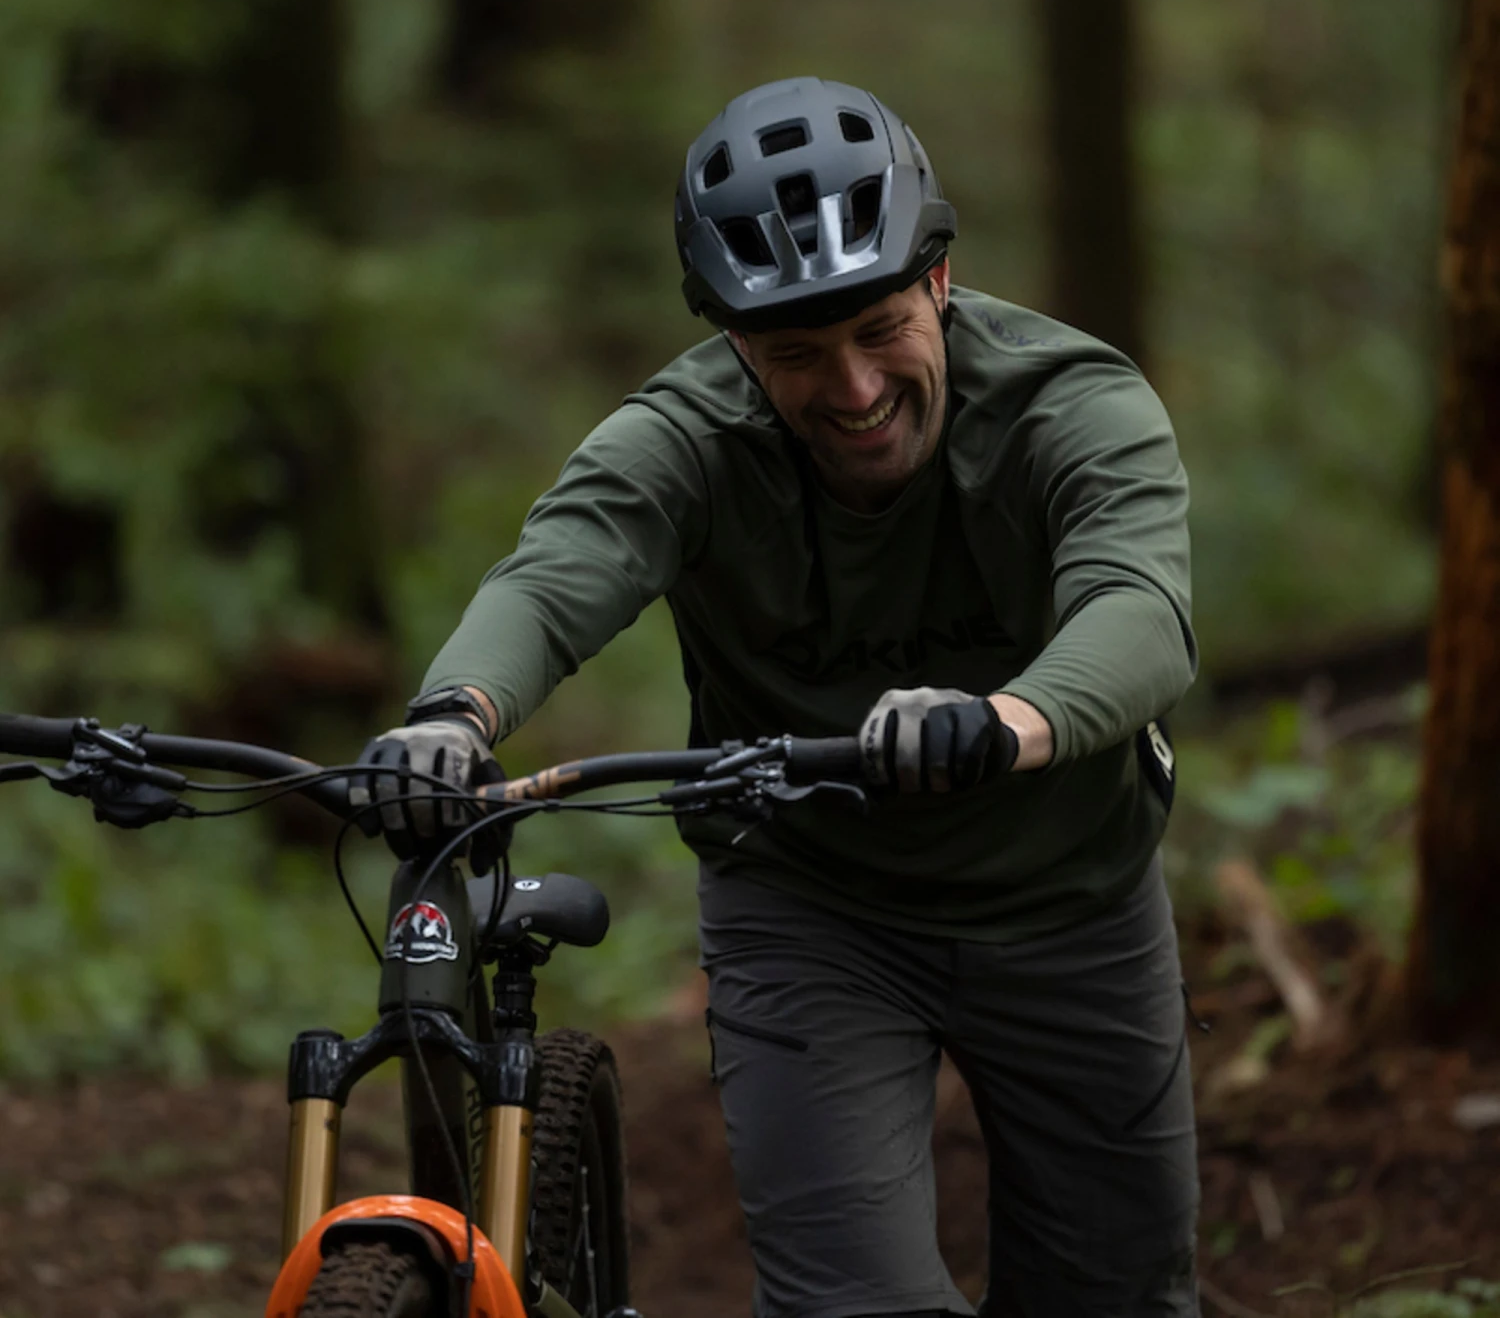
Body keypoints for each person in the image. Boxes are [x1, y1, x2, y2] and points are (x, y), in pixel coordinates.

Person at [354, 76, 1199, 1318]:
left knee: (1117, 1295)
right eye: (798, 354)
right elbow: (558, 571)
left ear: (941, 283)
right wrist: (452, 716)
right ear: (740, 347)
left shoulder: (1073, 405)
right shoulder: (688, 437)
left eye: (879, 330)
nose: (852, 389)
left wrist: (1003, 722)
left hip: (1069, 898)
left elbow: (1140, 610)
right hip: (812, 911)